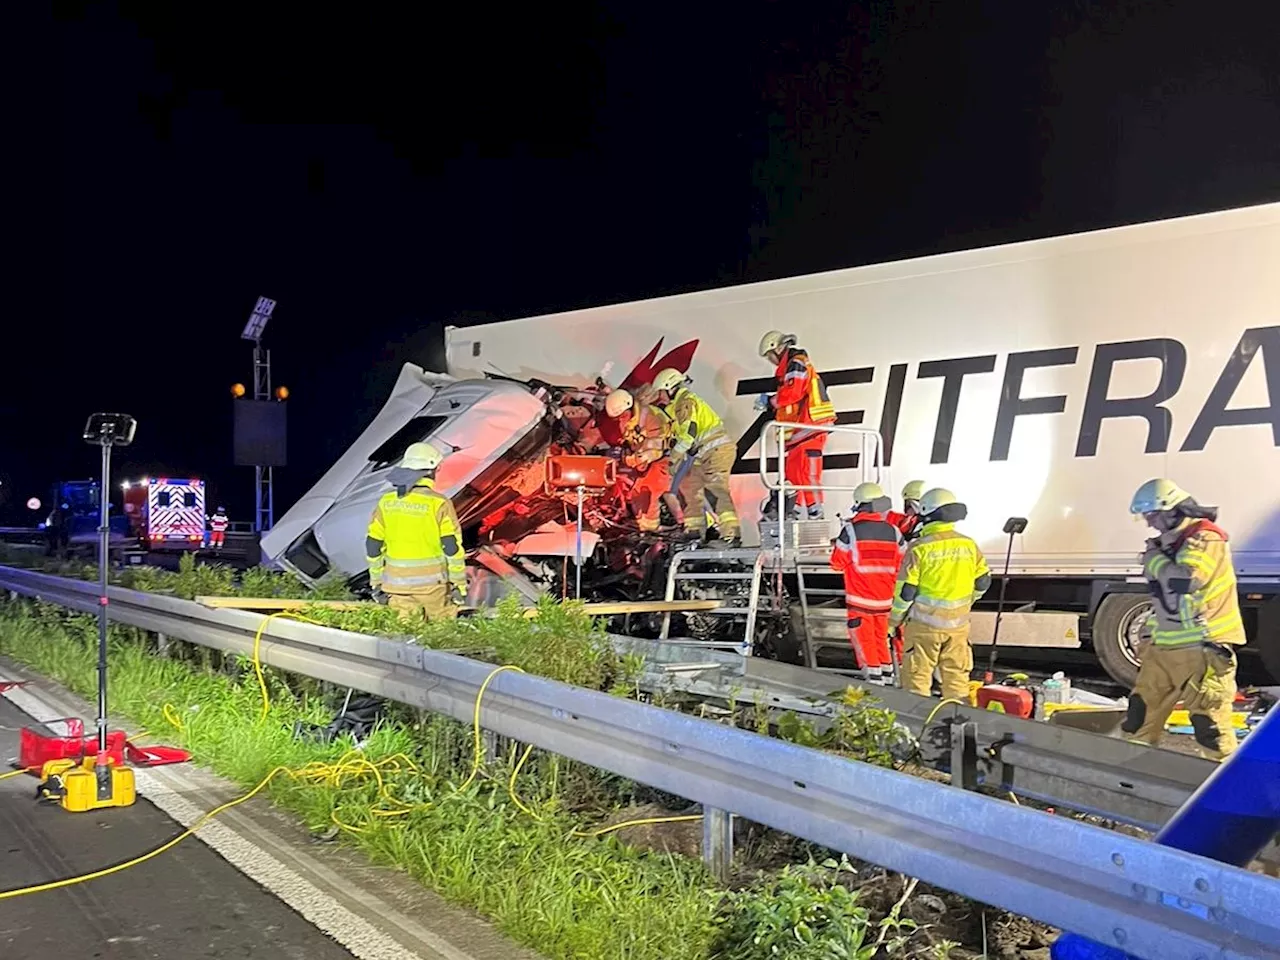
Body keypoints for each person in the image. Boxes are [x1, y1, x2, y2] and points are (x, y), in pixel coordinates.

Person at [1121, 479, 1244, 760]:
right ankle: (1128, 779)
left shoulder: (1206, 538)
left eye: (1152, 515)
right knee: (1139, 717)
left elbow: (1186, 581)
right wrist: (1151, 632)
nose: (1149, 523)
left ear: (1171, 510)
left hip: (1204, 649)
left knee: (1209, 726)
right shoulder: (1167, 544)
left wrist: (1153, 560)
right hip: (1165, 649)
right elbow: (1168, 600)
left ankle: (1224, 789)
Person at [888, 488, 991, 700]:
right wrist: (970, 600)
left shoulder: (919, 548)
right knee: (957, 681)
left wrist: (894, 621)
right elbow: (983, 581)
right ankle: (958, 723)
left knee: (917, 681)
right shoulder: (968, 544)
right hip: (958, 627)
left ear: (926, 513)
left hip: (924, 627)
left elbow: (906, 592)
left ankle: (918, 726)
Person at [366, 441, 467, 620]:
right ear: (431, 471)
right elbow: (451, 547)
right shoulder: (439, 503)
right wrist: (458, 583)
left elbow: (373, 545)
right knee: (438, 638)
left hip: (396, 588)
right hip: (432, 589)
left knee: (406, 638)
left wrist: (376, 581)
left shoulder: (386, 502)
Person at [652, 367, 740, 544]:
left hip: (717, 450)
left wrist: (672, 459)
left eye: (661, 392)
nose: (660, 397)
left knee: (715, 488)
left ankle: (731, 534)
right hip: (703, 453)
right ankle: (694, 531)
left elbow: (687, 435)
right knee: (689, 487)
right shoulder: (676, 407)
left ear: (670, 387)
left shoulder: (686, 402)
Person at [756, 331, 836, 520]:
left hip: (812, 425)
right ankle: (796, 512)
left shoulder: (796, 363)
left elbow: (793, 392)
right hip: (801, 430)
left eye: (770, 356)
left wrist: (770, 401)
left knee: (807, 473)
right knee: (793, 474)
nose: (771, 360)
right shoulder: (790, 368)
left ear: (777, 349)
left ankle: (816, 513)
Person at [829, 482, 903, 684]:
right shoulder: (894, 531)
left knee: (865, 645)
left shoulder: (851, 530)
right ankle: (888, 682)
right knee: (881, 642)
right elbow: (901, 564)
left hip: (860, 602)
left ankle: (874, 689)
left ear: (858, 504)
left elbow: (836, 563)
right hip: (885, 601)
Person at [603, 388, 678, 532]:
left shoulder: (651, 417)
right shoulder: (628, 421)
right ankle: (645, 528)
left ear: (630, 407)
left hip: (666, 458)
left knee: (649, 488)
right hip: (645, 462)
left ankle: (652, 529)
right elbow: (631, 444)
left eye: (623, 415)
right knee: (635, 492)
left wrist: (635, 459)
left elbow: (657, 447)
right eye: (617, 418)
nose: (621, 419)